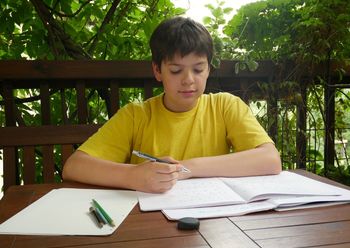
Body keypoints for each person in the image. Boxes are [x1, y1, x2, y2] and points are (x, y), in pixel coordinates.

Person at [62, 16, 281, 193]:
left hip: (214, 223)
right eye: (176, 70)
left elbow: (270, 160)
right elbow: (74, 166)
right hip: (147, 228)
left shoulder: (225, 106)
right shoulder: (136, 115)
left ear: (209, 70)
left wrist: (188, 169)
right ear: (157, 70)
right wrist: (133, 176)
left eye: (198, 69)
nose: (188, 79)